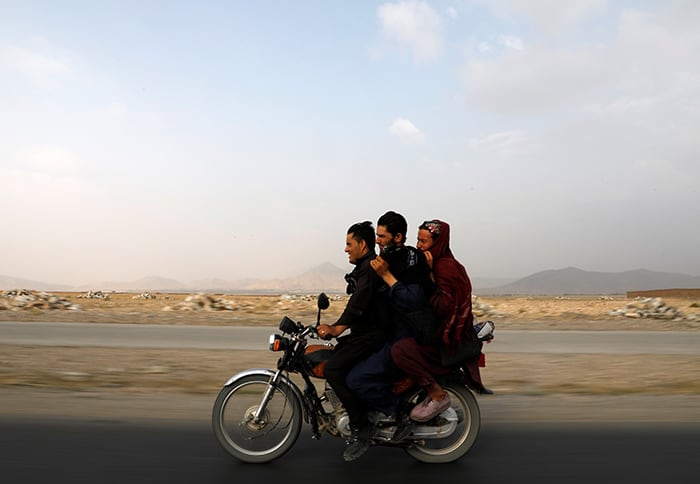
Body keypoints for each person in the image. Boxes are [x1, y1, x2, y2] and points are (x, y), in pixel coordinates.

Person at [391, 219, 489, 423]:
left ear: (438, 243)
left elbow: (443, 306)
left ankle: (437, 395)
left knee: (400, 350)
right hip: (439, 331)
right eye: (418, 240)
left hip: (445, 339)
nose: (419, 245)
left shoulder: (445, 267)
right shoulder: (441, 262)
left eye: (424, 241)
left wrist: (427, 276)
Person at [345, 211, 433, 427]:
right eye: (377, 235)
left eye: (382, 236)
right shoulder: (387, 259)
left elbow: (413, 301)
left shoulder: (409, 259)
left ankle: (399, 415)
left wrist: (387, 276)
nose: (377, 241)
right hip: (384, 334)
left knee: (357, 380)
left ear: (398, 237)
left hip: (404, 337)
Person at [316, 221, 391, 462]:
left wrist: (335, 329)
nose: (346, 249)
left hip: (373, 336)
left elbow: (357, 305)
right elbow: (356, 305)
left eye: (349, 244)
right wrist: (336, 329)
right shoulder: (364, 268)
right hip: (365, 333)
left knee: (334, 369)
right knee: (336, 354)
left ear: (362, 244)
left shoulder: (369, 267)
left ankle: (361, 427)